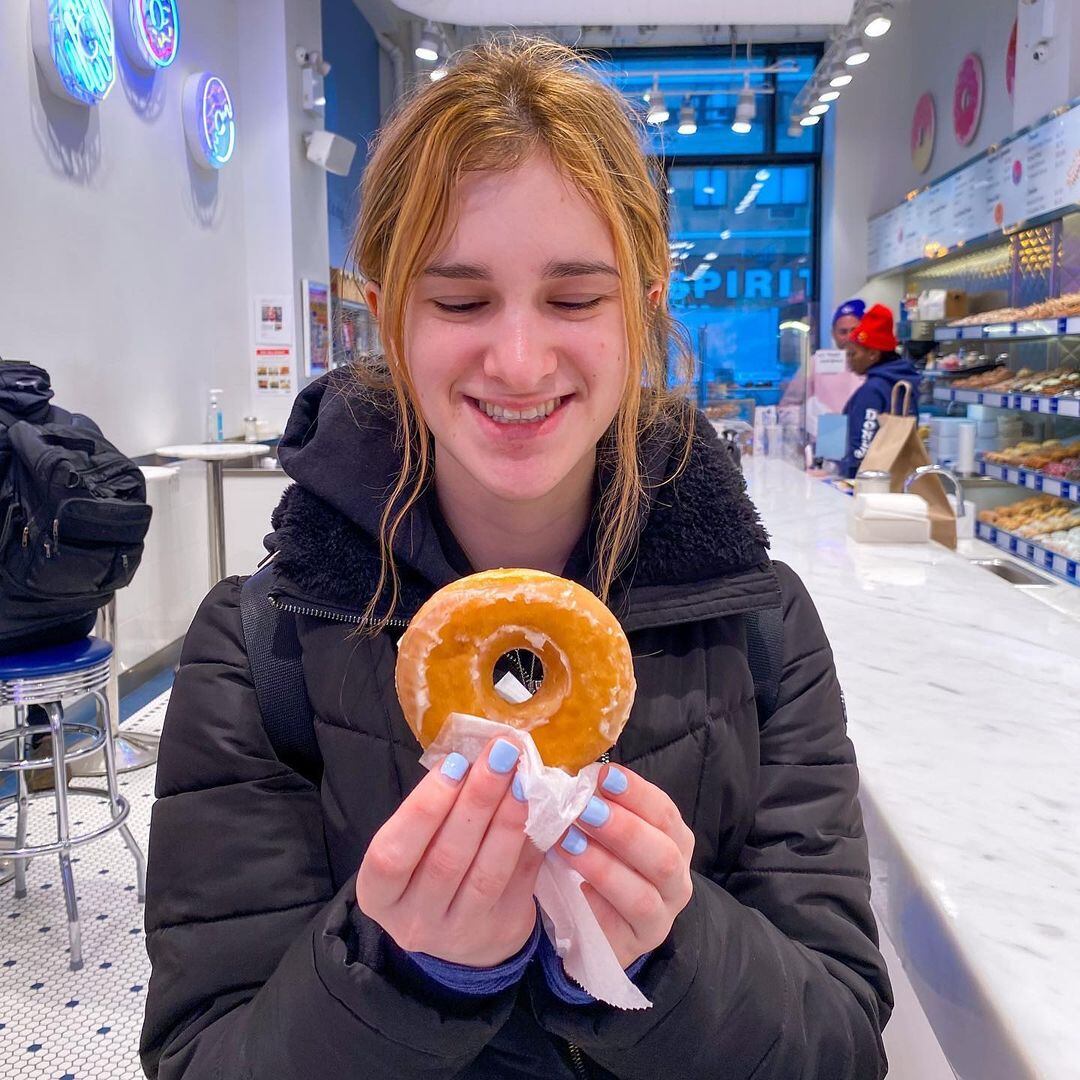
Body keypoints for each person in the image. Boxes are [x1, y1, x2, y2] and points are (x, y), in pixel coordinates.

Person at [140, 38, 891, 1080]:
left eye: (576, 299)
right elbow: (202, 1055)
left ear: (643, 308)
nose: (522, 362)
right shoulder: (263, 646)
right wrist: (407, 977)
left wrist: (667, 956)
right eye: (460, 301)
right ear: (388, 317)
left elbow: (842, 1044)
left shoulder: (759, 626)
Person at [840, 303, 921, 479]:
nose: (849, 360)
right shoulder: (903, 383)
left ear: (873, 355)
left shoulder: (873, 390)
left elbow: (861, 450)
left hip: (871, 482)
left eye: (852, 354)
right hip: (898, 477)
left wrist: (847, 474)